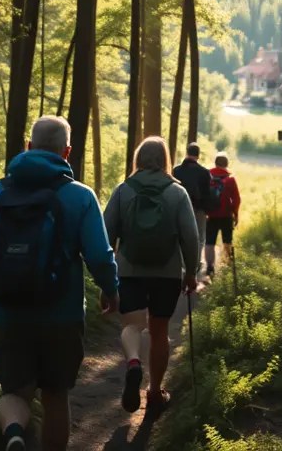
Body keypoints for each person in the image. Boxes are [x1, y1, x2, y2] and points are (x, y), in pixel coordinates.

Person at [0, 115, 119, 451]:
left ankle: (14, 432)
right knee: (56, 396)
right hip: (62, 315)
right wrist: (110, 290)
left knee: (14, 393)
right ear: (67, 152)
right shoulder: (80, 196)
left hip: (7, 313)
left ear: (28, 147)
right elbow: (100, 256)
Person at [104, 136, 198, 416]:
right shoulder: (177, 192)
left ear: (138, 159)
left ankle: (133, 362)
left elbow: (106, 235)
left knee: (131, 325)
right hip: (166, 273)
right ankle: (155, 392)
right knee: (159, 332)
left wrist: (108, 276)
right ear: (165, 159)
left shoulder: (123, 190)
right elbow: (191, 237)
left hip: (130, 270)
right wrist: (191, 273)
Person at [172, 141, 212, 280]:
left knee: (179, 235)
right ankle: (194, 266)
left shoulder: (176, 170)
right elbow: (207, 194)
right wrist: (208, 211)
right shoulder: (204, 173)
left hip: (178, 208)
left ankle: (181, 264)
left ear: (187, 153)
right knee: (199, 237)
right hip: (198, 210)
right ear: (198, 155)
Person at [205, 152, 241, 277]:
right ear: (226, 164)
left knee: (209, 242)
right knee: (227, 240)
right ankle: (227, 264)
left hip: (211, 216)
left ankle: (210, 267)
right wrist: (235, 214)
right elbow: (236, 199)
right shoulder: (230, 180)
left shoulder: (207, 177)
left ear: (215, 163)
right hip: (226, 215)